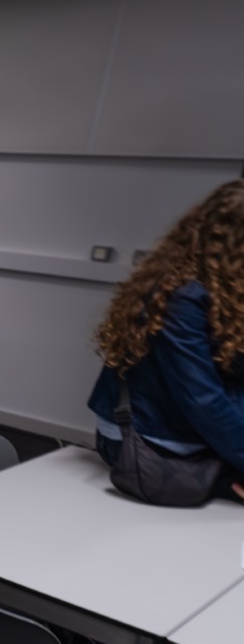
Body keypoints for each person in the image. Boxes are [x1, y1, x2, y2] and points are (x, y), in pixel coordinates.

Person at [89, 179, 244, 499]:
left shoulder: (230, 289)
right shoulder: (181, 297)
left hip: (195, 428)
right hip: (145, 443)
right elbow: (203, 399)